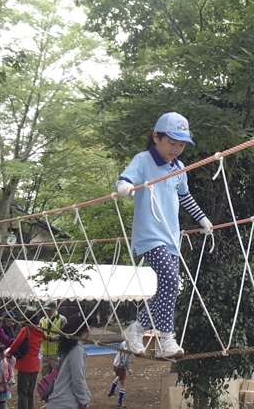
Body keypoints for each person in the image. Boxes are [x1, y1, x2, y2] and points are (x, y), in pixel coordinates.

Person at [116, 112, 213, 359]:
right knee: (170, 281)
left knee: (170, 287)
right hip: (150, 236)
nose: (176, 149)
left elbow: (185, 196)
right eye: (172, 143)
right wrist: (125, 188)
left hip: (172, 238)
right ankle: (166, 339)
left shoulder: (178, 168)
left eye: (181, 145)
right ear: (156, 137)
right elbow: (124, 179)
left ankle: (136, 328)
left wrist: (202, 219)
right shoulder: (143, 160)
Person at [46, 314, 91, 409]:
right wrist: (84, 401)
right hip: (65, 403)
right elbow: (78, 379)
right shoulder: (76, 350)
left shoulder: (68, 347)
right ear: (87, 329)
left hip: (57, 401)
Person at [5, 310, 44, 409]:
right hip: (35, 364)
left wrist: (9, 353)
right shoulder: (40, 331)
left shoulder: (26, 330)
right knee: (30, 392)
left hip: (25, 364)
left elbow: (16, 343)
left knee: (23, 392)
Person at [39, 299, 67, 376]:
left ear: (55, 308)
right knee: (44, 376)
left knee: (58, 375)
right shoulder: (42, 320)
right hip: (44, 353)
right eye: (46, 310)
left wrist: (51, 338)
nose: (48, 312)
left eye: (49, 310)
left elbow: (64, 334)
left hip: (56, 353)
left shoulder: (62, 319)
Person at [108, 341, 132, 408]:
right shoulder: (130, 347)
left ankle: (111, 391)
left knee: (119, 377)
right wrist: (129, 369)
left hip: (116, 364)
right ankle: (120, 403)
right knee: (123, 383)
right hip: (121, 366)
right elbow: (126, 361)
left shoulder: (123, 342)